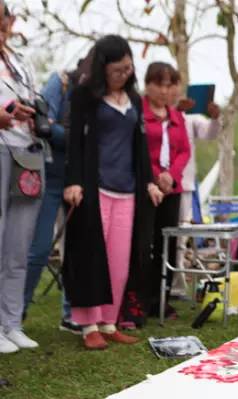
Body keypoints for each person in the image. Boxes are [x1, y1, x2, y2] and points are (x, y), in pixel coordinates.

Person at [63, 35, 164, 350]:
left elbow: (140, 146)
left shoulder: (134, 100)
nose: (124, 74)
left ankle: (109, 321)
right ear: (102, 68)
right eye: (117, 70)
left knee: (119, 260)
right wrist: (74, 181)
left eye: (128, 69)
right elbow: (75, 143)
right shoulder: (84, 96)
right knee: (91, 255)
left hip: (127, 190)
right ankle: (88, 324)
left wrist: (148, 181)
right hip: (94, 188)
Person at [22, 53, 93, 335]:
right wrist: (75, 135)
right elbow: (43, 126)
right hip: (50, 177)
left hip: (78, 179)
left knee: (76, 251)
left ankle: (70, 313)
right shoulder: (60, 82)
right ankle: (15, 315)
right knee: (38, 250)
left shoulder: (98, 96)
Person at [0, 3, 45, 354]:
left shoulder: (20, 61)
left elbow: (33, 98)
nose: (4, 21)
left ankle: (11, 323)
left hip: (27, 152)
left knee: (18, 243)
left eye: (5, 15)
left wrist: (31, 111)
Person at [142, 62, 190, 318]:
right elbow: (136, 149)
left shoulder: (176, 116)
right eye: (159, 84)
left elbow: (184, 151)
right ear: (147, 84)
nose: (164, 90)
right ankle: (140, 297)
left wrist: (171, 175)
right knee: (144, 244)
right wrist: (154, 177)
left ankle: (161, 297)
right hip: (146, 188)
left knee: (167, 244)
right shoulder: (138, 112)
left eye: (170, 84)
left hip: (172, 188)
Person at [167, 72, 221, 297]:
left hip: (185, 184)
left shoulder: (191, 117)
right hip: (159, 183)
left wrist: (216, 118)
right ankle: (157, 285)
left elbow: (210, 134)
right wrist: (174, 110)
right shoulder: (160, 113)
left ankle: (177, 287)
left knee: (181, 238)